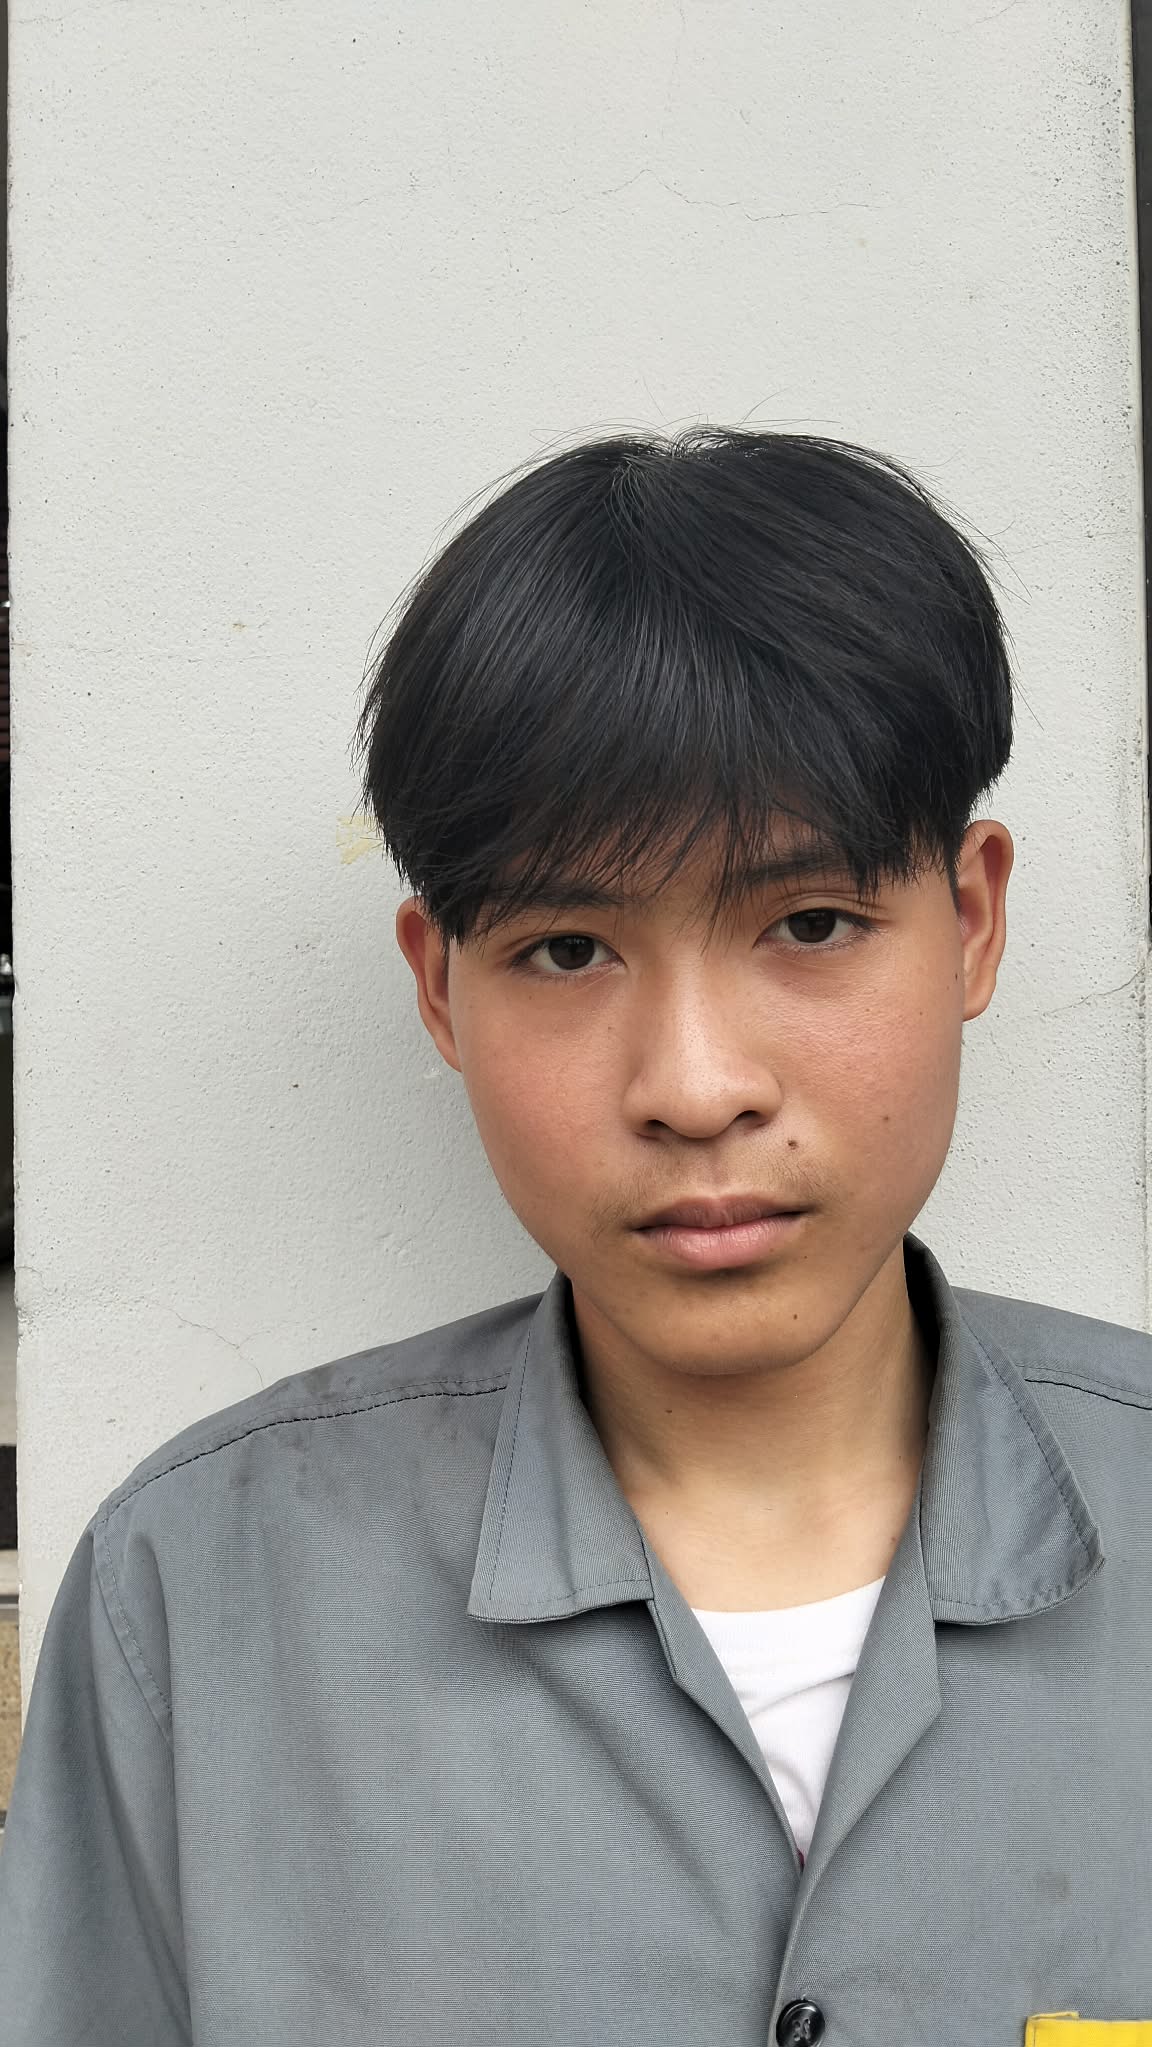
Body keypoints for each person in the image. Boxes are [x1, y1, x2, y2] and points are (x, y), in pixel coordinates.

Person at [1, 427, 1148, 2047]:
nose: (694, 1086)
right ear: (438, 986)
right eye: (566, 950)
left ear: (970, 921)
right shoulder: (198, 1597)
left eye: (811, 923)